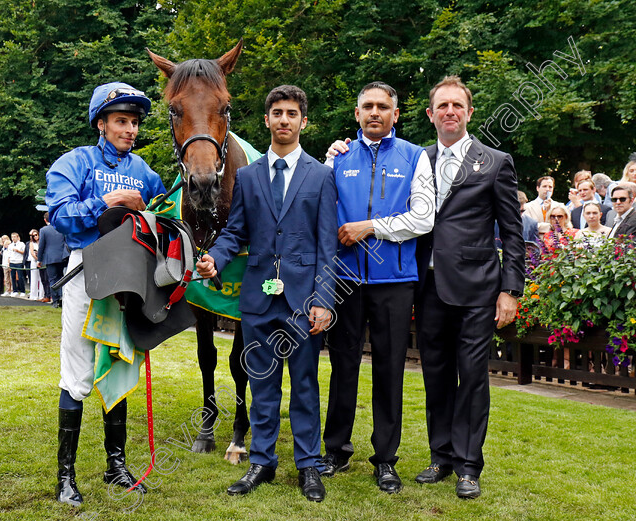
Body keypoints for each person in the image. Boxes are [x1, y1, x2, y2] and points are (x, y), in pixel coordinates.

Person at [196, 85, 337, 502]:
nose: (284, 120)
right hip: (258, 300)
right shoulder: (249, 176)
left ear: (303, 121)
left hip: (303, 303)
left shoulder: (321, 177)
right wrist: (216, 260)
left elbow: (328, 245)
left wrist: (325, 300)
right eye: (276, 112)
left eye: (292, 113)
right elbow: (235, 230)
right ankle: (262, 461)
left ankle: (309, 466)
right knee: (262, 386)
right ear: (266, 120)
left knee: (306, 386)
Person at [46, 81, 166, 506]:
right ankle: (66, 476)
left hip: (130, 281)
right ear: (101, 123)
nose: (129, 129)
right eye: (121, 121)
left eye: (134, 122)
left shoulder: (144, 169)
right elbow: (60, 217)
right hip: (86, 275)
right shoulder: (74, 162)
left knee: (118, 366)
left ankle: (116, 466)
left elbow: (166, 210)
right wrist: (107, 201)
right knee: (77, 372)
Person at [413, 76, 525, 499]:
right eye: (442, 106)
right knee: (435, 375)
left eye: (457, 105)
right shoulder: (417, 160)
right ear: (430, 114)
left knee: (473, 377)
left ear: (469, 112)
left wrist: (510, 289)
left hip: (479, 289)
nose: (449, 112)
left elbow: (512, 233)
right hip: (428, 287)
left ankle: (467, 465)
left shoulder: (495, 162)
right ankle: (440, 456)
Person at [319, 81, 433, 494]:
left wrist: (371, 227)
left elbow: (424, 218)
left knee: (389, 371)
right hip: (346, 281)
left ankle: (385, 459)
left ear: (396, 115)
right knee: (342, 368)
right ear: (356, 114)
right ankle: (335, 451)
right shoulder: (338, 158)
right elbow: (319, 212)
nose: (375, 113)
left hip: (395, 283)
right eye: (367, 106)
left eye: (383, 107)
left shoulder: (415, 157)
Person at [39, 212, 69, 308]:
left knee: (52, 279)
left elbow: (41, 245)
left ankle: (55, 300)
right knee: (61, 278)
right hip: (61, 257)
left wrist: (39, 259)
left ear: (45, 220)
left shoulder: (44, 230)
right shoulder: (62, 229)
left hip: (50, 258)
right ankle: (61, 297)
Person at [27, 229, 45, 302]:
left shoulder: (41, 242)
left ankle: (41, 295)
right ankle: (34, 295)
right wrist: (37, 259)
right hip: (34, 261)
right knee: (34, 278)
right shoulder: (31, 243)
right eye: (33, 236)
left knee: (42, 279)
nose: (35, 237)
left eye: (36, 235)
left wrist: (40, 260)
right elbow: (32, 252)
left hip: (41, 261)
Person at [8, 232, 26, 297]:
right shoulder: (10, 245)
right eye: (12, 237)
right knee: (12, 277)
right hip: (12, 262)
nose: (13, 238)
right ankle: (15, 290)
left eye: (14, 237)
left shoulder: (21, 244)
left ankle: (22, 291)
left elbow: (24, 252)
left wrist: (18, 251)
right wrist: (9, 264)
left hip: (19, 262)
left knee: (20, 277)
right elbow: (9, 255)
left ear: (18, 237)